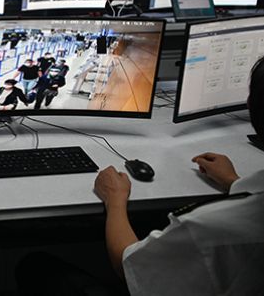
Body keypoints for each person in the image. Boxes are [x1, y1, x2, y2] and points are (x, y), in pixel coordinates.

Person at [18, 56, 264, 296]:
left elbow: (126, 264)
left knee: (34, 266)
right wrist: (235, 183)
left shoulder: (208, 226)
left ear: (250, 106)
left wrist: (114, 200)